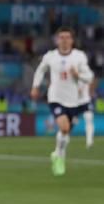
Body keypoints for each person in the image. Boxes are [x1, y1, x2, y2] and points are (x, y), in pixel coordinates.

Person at [31, 26, 94, 176]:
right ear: (57, 40)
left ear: (72, 40)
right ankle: (60, 158)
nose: (64, 40)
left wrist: (78, 75)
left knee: (65, 132)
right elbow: (40, 70)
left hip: (73, 100)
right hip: (55, 98)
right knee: (64, 128)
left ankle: (58, 153)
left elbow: (89, 77)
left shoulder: (79, 56)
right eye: (62, 37)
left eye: (67, 37)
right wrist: (35, 86)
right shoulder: (50, 56)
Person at [78, 78, 96, 148]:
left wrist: (90, 92)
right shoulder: (70, 72)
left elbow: (92, 81)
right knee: (70, 122)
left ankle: (89, 141)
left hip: (85, 101)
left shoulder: (86, 73)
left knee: (89, 119)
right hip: (74, 102)